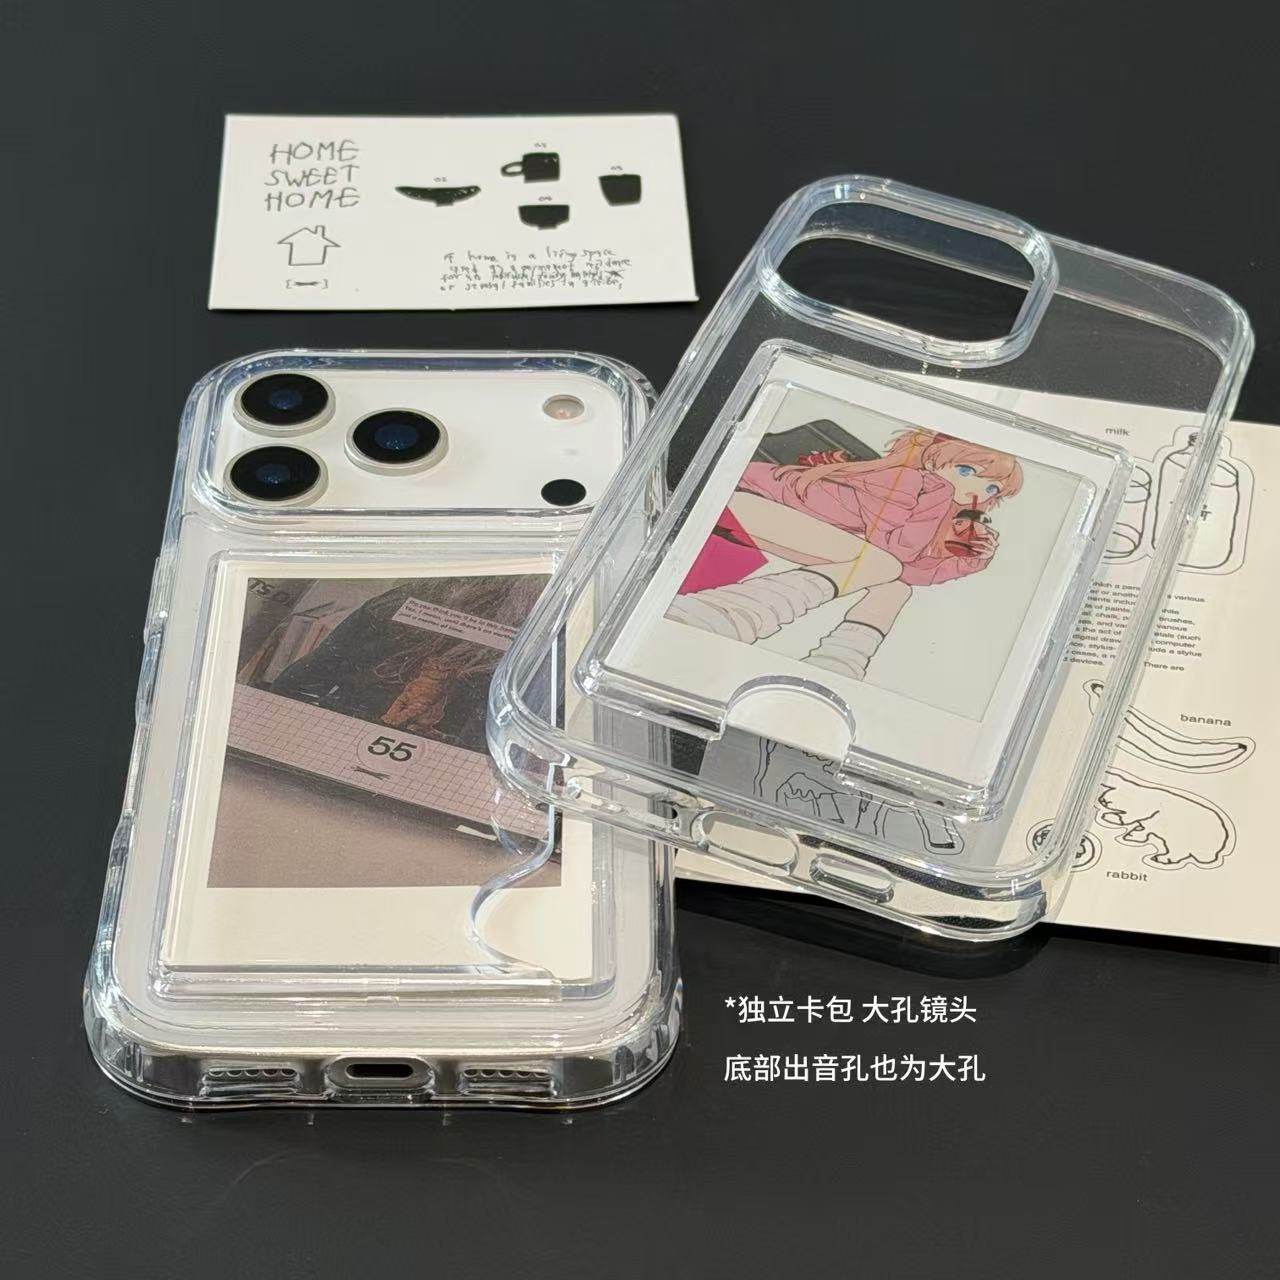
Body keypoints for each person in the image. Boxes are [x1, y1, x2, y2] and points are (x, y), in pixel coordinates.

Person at [667, 428, 1023, 680]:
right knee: (880, 563)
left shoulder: (938, 504)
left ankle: (835, 667)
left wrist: (971, 558)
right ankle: (718, 616)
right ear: (933, 460)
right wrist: (942, 524)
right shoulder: (910, 482)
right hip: (741, 499)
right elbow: (890, 552)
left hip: (778, 520)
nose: (976, 488)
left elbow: (907, 573)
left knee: (894, 588)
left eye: (992, 487)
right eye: (966, 471)